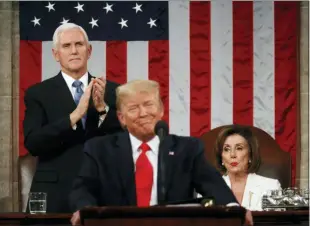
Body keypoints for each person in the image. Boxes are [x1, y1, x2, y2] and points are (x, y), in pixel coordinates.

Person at [69, 80, 253, 226]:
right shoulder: (99, 149)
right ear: (121, 118)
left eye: (149, 105)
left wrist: (234, 209)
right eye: (133, 108)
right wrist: (85, 211)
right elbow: (83, 189)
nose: (143, 113)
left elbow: (212, 185)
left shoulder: (187, 149)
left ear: (161, 110)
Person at [23, 23, 122, 213]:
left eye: (79, 44)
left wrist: (102, 110)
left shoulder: (112, 91)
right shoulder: (38, 93)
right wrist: (74, 117)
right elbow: (33, 143)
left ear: (89, 50)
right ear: (55, 54)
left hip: (101, 191)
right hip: (55, 193)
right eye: (66, 46)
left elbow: (124, 141)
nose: (74, 51)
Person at [214, 125, 282, 211]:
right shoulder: (208, 189)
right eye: (226, 149)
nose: (232, 155)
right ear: (221, 158)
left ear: (250, 155)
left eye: (239, 148)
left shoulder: (271, 187)